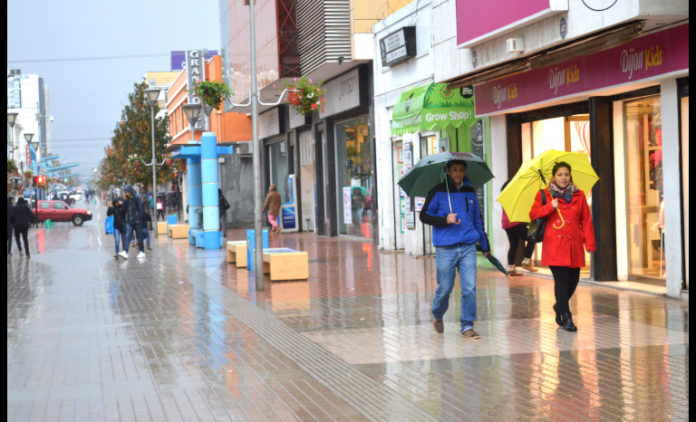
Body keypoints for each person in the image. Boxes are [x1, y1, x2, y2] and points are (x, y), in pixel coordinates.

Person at [420, 160, 490, 340]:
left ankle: (467, 325)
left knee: (469, 287)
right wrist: (444, 219)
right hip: (445, 248)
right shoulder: (437, 191)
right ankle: (437, 313)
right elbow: (424, 215)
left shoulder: (470, 191)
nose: (458, 174)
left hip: (467, 246)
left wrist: (484, 244)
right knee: (445, 288)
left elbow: (477, 220)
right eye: (455, 170)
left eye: (461, 170)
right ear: (448, 172)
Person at [529, 161, 596, 332]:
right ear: (554, 176)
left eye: (566, 174)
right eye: (560, 175)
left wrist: (590, 243)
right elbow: (533, 214)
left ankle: (559, 305)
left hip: (574, 244)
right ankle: (567, 317)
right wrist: (549, 207)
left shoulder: (579, 195)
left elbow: (586, 220)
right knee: (561, 281)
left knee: (573, 281)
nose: (563, 178)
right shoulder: (544, 195)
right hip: (555, 245)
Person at [501, 180, 538, 276]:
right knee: (532, 237)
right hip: (515, 222)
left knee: (514, 244)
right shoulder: (514, 196)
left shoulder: (504, 196)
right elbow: (521, 209)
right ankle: (526, 261)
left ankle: (510, 268)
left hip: (506, 223)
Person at [120, 186, 146, 259]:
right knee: (127, 236)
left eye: (127, 192)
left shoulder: (137, 199)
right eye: (125, 192)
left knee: (139, 236)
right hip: (129, 221)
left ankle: (142, 251)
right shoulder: (126, 201)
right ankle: (125, 251)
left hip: (137, 221)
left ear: (130, 192)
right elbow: (123, 210)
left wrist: (139, 219)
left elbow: (141, 209)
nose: (126, 194)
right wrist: (123, 202)